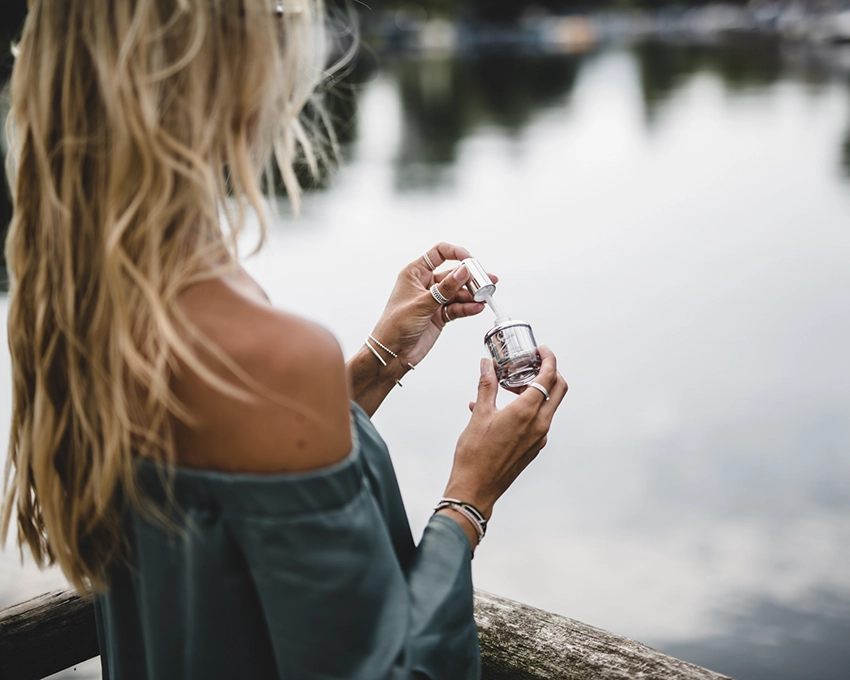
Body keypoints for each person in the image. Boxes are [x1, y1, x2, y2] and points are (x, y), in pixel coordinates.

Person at [1, 1, 568, 679]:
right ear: (223, 64)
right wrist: (471, 494)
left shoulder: (85, 296)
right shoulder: (260, 346)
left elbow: (236, 482)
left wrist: (378, 361)